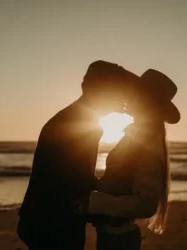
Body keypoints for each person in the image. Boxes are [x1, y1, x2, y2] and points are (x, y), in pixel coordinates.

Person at [17, 60, 139, 250]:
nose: (124, 97)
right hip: (52, 224)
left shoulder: (81, 119)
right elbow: (69, 183)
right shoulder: (78, 124)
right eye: (119, 89)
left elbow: (75, 175)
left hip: (50, 220)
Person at [73, 69, 180, 250]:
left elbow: (145, 204)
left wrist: (93, 202)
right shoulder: (136, 137)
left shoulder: (148, 144)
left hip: (119, 240)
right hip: (113, 236)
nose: (129, 97)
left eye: (136, 93)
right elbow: (121, 182)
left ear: (147, 102)